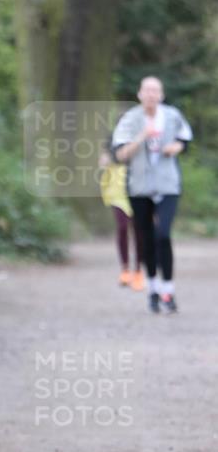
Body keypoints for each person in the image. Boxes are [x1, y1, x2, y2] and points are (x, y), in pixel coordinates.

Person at [112, 76, 192, 313]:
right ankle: (153, 289)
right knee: (145, 237)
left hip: (168, 185)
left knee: (163, 234)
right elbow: (120, 155)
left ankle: (168, 289)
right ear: (139, 94)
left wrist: (175, 148)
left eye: (155, 90)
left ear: (162, 94)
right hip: (139, 186)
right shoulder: (129, 119)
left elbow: (185, 140)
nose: (150, 95)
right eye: (146, 90)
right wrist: (142, 137)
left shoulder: (173, 116)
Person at [98, 143, 144, 290]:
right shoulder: (114, 141)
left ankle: (138, 270)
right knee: (122, 227)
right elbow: (104, 161)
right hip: (118, 191)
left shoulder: (142, 138)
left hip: (139, 190)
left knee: (139, 231)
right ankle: (125, 269)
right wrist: (105, 160)